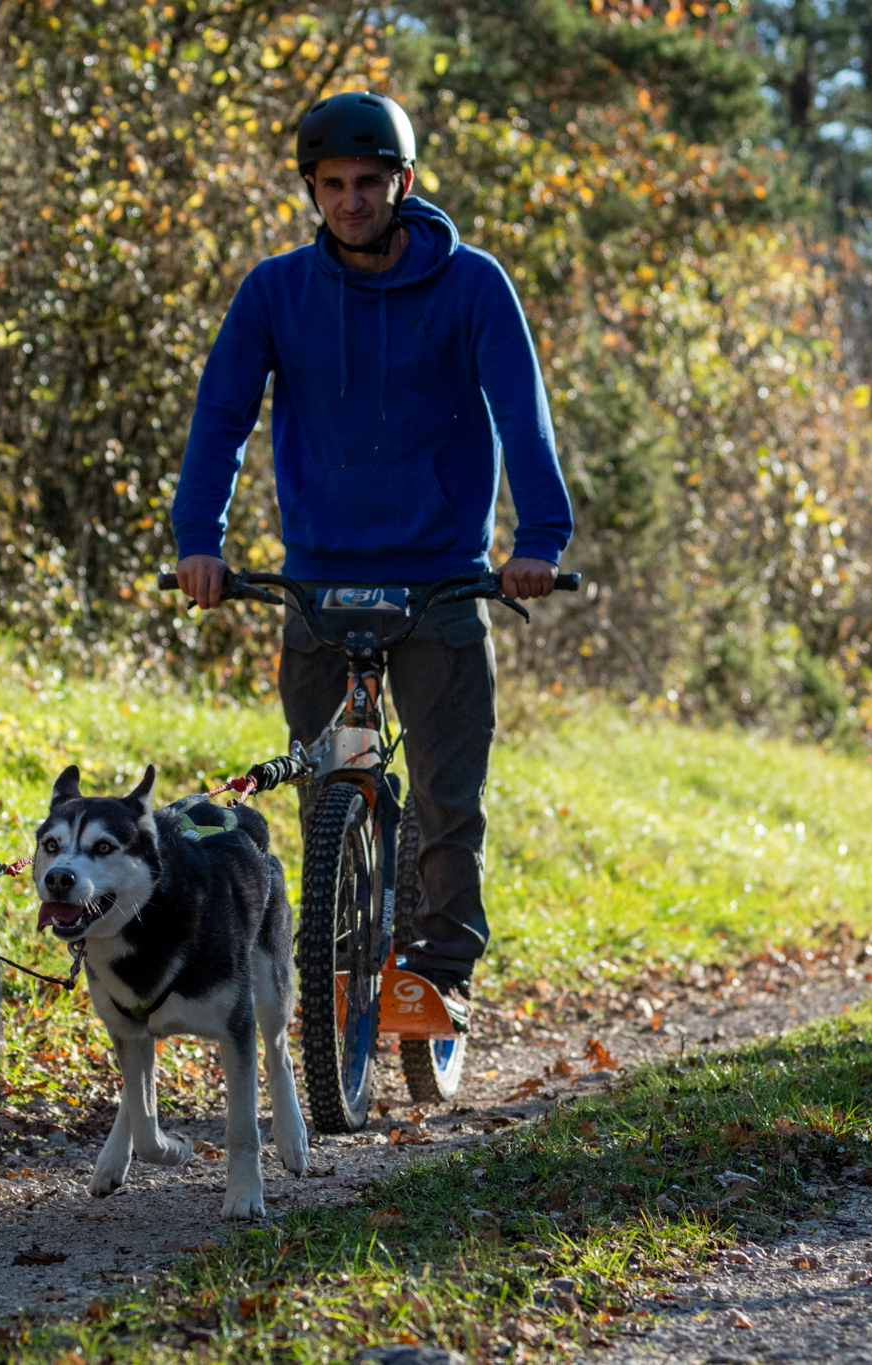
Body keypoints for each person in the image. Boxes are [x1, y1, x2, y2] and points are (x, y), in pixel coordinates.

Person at [168, 91, 574, 1029]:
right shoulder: (276, 291)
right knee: (326, 791)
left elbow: (523, 415)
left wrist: (539, 542)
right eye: (333, 184)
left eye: (368, 182)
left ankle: (439, 970)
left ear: (404, 182)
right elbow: (222, 417)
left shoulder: (473, 284)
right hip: (319, 577)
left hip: (442, 574)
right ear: (312, 190)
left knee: (445, 791)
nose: (350, 200)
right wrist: (199, 541)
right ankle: (342, 958)